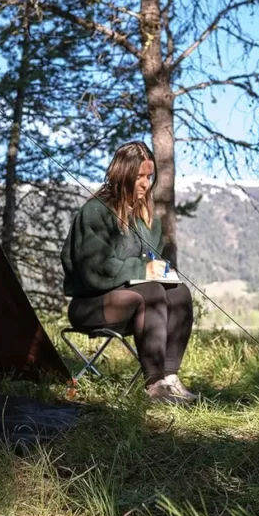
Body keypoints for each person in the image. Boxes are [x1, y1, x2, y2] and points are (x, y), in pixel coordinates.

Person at [61, 141, 197, 405]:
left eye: (149, 176)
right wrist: (142, 269)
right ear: (123, 175)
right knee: (152, 292)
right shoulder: (96, 211)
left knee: (179, 293)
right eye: (139, 177)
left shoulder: (147, 219)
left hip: (133, 303)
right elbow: (93, 269)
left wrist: (160, 270)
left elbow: (151, 263)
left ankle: (170, 379)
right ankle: (155, 386)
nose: (146, 184)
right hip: (90, 305)